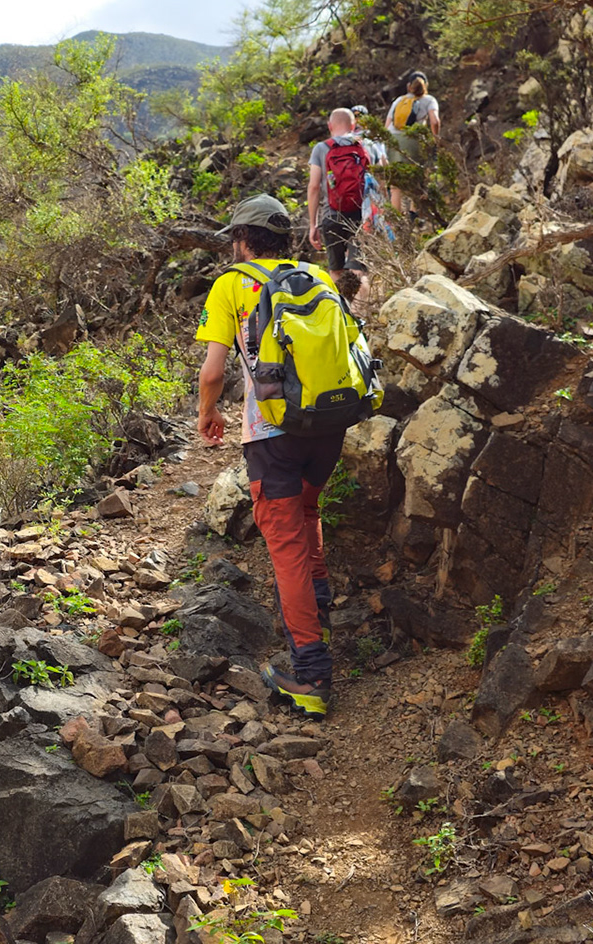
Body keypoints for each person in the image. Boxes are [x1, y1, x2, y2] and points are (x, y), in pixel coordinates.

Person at [195, 194, 344, 717]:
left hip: (272, 433)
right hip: (328, 424)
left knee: (285, 549)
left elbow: (214, 370)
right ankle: (322, 613)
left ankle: (310, 673)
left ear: (241, 240)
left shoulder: (232, 284)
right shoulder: (317, 276)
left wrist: (206, 412)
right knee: (308, 512)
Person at [306, 108, 380, 285]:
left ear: (330, 126)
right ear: (353, 125)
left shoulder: (321, 148)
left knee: (336, 270)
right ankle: (361, 310)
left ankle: (341, 309)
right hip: (362, 216)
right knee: (359, 269)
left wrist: (313, 224)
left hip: (332, 215)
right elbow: (381, 181)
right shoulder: (367, 146)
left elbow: (314, 187)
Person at [385, 71, 442, 213]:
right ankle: (413, 219)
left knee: (395, 186)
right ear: (426, 85)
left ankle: (397, 225)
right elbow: (435, 121)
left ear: (408, 86)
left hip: (393, 140)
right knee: (416, 182)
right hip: (413, 141)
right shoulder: (429, 100)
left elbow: (387, 126)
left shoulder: (398, 100)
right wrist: (435, 139)